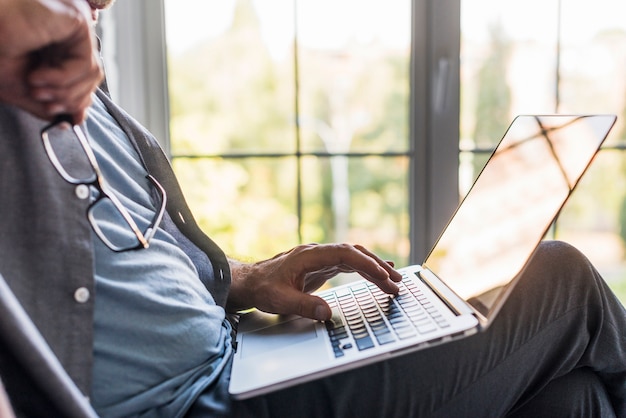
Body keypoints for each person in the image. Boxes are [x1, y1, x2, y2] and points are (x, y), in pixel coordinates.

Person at [0, 1, 624, 417]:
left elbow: (142, 259)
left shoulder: (95, 104)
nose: (104, 4)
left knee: (578, 399)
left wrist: (246, 277)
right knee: (560, 280)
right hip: (196, 403)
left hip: (235, 354)